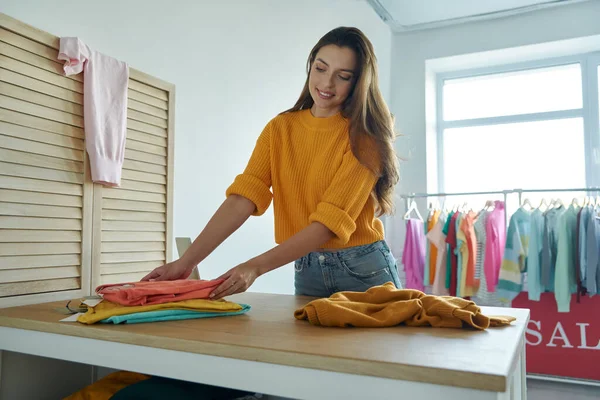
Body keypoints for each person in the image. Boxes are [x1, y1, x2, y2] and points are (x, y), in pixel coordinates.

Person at [142, 26, 402, 299]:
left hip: (364, 269)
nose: (326, 84)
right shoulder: (279, 129)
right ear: (310, 65)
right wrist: (186, 262)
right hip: (307, 267)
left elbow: (326, 225)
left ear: (358, 82)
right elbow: (243, 198)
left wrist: (254, 267)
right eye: (320, 69)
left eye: (343, 76)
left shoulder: (365, 139)